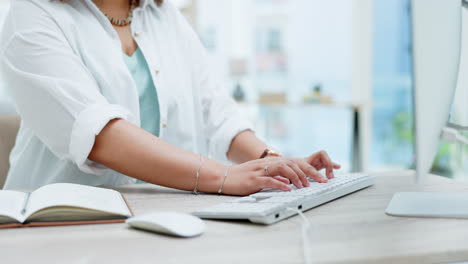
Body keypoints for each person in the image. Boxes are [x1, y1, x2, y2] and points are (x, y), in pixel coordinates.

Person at [0, 0, 340, 195]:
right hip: (55, 227)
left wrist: (273, 162)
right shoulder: (31, 13)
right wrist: (223, 177)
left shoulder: (164, 15)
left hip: (164, 216)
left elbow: (216, 112)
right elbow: (98, 135)